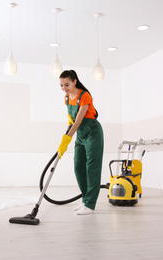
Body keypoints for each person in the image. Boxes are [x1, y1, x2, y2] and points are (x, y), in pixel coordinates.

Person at [57, 70, 104, 215]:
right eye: (61, 85)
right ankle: (85, 200)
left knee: (92, 168)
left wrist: (65, 141)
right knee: (78, 166)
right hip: (80, 135)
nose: (64, 88)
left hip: (92, 133)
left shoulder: (84, 96)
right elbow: (72, 119)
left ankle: (90, 204)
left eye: (67, 84)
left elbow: (77, 122)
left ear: (74, 81)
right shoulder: (67, 97)